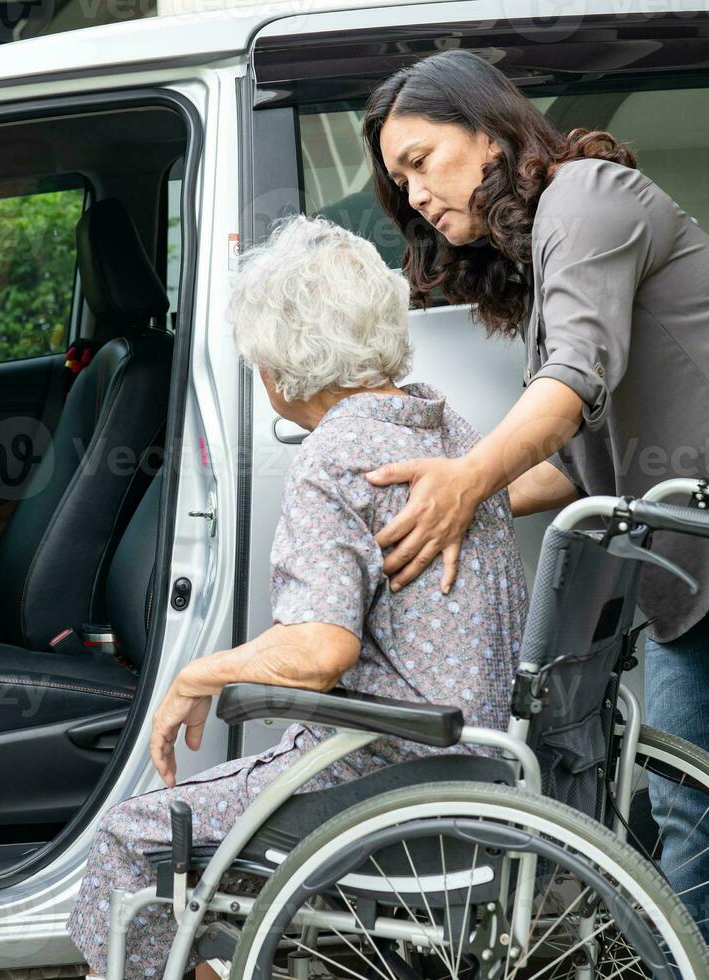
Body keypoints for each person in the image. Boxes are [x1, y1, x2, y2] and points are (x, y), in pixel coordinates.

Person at [356, 49, 709, 980]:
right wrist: (428, 516)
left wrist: (465, 481)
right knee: (691, 810)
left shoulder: (588, 198)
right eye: (396, 179)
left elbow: (572, 386)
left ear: (488, 130)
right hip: (694, 551)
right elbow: (573, 461)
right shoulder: (541, 257)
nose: (411, 195)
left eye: (420, 159)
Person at [65, 214, 528, 979]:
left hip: (384, 773)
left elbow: (319, 653)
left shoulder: (334, 458)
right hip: (477, 762)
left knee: (131, 839)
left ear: (280, 371)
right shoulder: (443, 425)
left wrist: (196, 674)